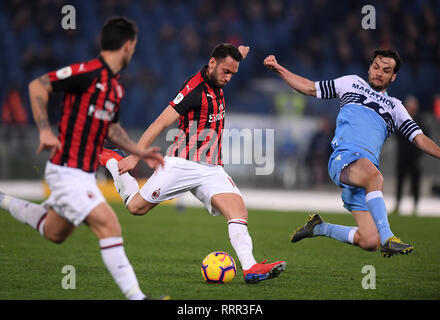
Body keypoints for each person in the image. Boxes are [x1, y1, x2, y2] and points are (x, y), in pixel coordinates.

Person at [0, 17, 168, 300]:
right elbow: (38, 86)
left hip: (82, 172)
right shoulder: (87, 72)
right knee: (109, 224)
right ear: (127, 46)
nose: (134, 51)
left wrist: (139, 151)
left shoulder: (115, 89)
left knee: (54, 231)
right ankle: (137, 298)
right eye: (134, 46)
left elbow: (111, 129)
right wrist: (44, 130)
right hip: (67, 169)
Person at [100, 43, 286, 283]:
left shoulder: (217, 77)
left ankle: (250, 268)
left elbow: (230, 63)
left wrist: (240, 55)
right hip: (181, 164)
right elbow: (160, 123)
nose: (228, 78)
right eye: (226, 72)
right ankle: (115, 162)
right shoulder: (193, 90)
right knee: (136, 208)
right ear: (212, 63)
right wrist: (136, 155)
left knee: (238, 211)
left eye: (233, 73)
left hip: (211, 169)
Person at [264, 48, 440, 257]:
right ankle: (389, 238)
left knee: (368, 241)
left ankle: (319, 227)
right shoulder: (351, 83)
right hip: (344, 158)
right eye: (376, 67)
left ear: (393, 77)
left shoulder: (396, 107)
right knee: (375, 177)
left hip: (365, 175)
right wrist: (279, 69)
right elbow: (310, 88)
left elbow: (419, 138)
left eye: (386, 70)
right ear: (369, 67)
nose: (378, 72)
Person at [392, 95, 424, 215]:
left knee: (415, 183)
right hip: (402, 156)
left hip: (415, 158)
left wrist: (420, 155)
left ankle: (415, 205)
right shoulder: (401, 120)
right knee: (400, 182)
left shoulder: (420, 120)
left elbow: (425, 138)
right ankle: (398, 204)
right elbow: (396, 134)